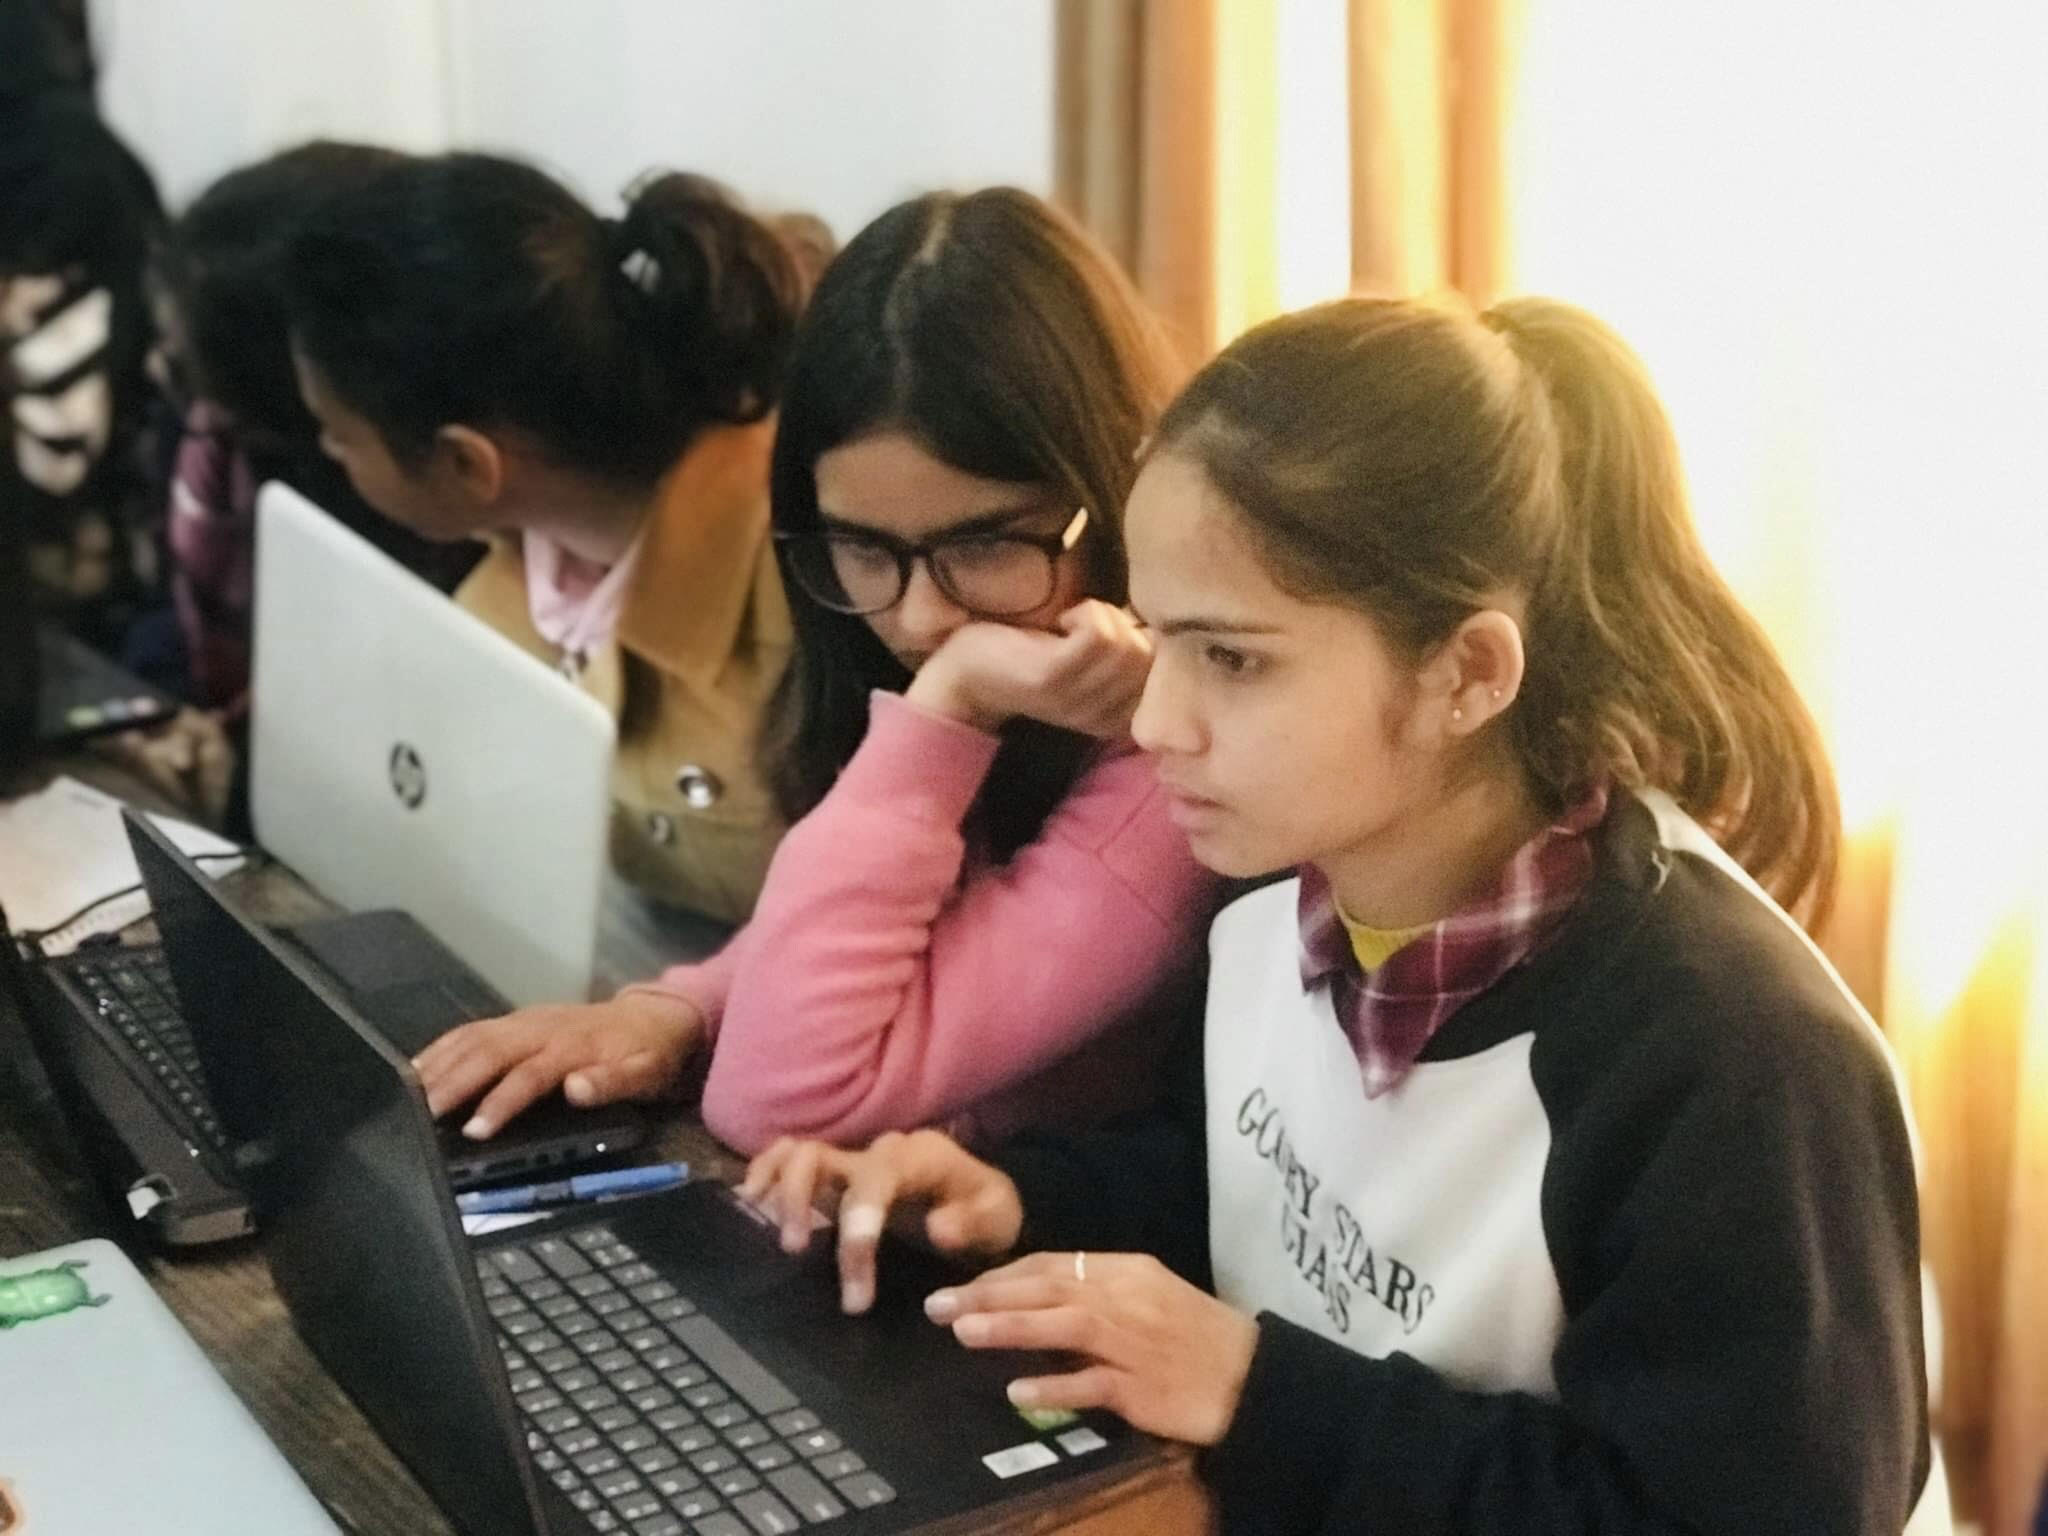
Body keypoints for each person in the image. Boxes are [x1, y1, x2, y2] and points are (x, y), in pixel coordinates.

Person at [741, 296, 1946, 1534]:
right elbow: (1254, 1179)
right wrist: (1016, 1203)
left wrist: (1259, 1395)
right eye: (1160, 639)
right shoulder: (1277, 896)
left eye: (1232, 659)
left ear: (1466, 675)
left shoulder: (1735, 1059)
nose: (1153, 721)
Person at [414, 188, 1218, 1156]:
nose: (920, 619)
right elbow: (890, 929)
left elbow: (784, 1102)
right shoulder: (955, 660)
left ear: (1115, 492)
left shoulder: (1173, 772)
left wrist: (948, 707)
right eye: (862, 546)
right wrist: (675, 1012)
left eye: (986, 543)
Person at [285, 152, 805, 919]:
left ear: (467, 463)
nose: (329, 453)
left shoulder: (806, 584)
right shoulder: (507, 584)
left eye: (339, 434)